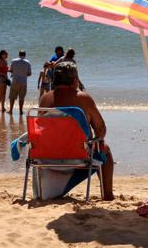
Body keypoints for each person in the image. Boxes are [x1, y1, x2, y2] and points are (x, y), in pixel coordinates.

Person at [39, 61, 114, 200]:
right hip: (77, 156)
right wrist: (90, 137)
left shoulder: (45, 99)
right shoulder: (83, 98)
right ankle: (108, 195)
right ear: (75, 80)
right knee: (106, 149)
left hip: (46, 156)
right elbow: (101, 131)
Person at [8, 50, 32, 115]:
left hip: (15, 81)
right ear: (25, 55)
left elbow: (11, 70)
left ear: (19, 54)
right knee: (21, 98)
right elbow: (29, 74)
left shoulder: (13, 61)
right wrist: (23, 74)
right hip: (23, 82)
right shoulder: (28, 62)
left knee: (12, 97)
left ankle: (10, 110)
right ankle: (20, 111)